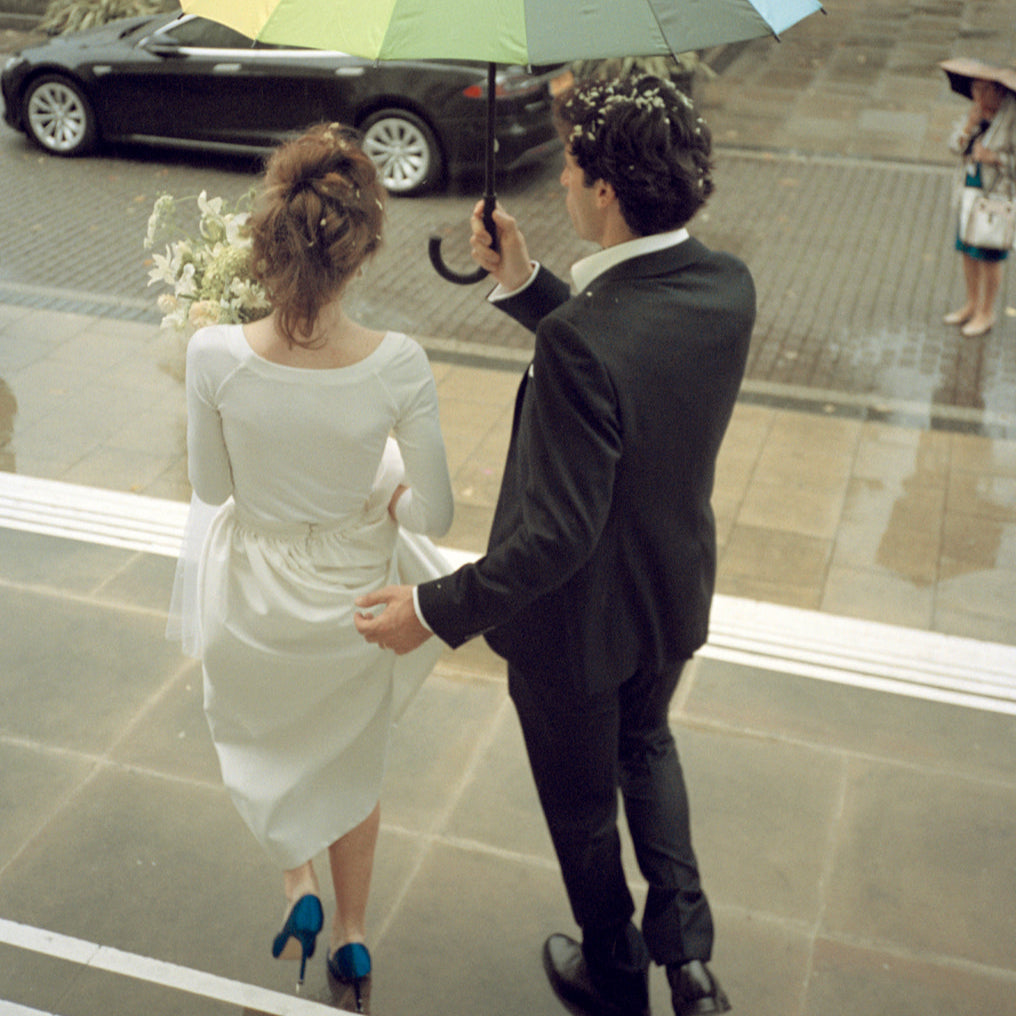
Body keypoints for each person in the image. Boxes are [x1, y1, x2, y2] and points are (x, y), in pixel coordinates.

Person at [355, 75, 755, 1016]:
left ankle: (614, 976)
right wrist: (525, 285)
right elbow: (633, 363)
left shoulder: (583, 339)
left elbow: (557, 534)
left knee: (582, 816)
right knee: (648, 749)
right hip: (669, 594)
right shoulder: (724, 287)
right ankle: (690, 964)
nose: (564, 185)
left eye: (573, 169)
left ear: (605, 192)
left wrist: (431, 610)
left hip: (575, 633)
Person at [171, 123, 453, 1006]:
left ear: (266, 241)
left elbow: (213, 488)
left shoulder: (212, 354)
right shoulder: (399, 364)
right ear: (361, 253)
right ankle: (353, 939)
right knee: (347, 763)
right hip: (353, 606)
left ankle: (297, 890)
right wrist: (388, 480)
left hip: (253, 602)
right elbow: (436, 514)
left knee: (265, 743)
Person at [942, 64, 1016, 338]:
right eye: (974, 88)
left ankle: (987, 311)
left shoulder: (1011, 119)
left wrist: (995, 158)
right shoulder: (974, 113)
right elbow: (954, 146)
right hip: (969, 194)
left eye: (983, 89)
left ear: (998, 91)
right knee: (967, 251)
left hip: (996, 200)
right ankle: (971, 304)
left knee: (989, 256)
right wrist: (969, 124)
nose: (977, 94)